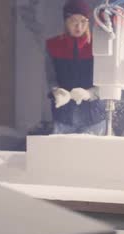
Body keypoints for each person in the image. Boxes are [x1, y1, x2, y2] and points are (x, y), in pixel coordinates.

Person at [45, 0, 106, 135]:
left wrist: (90, 93)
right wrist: (56, 91)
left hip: (94, 118)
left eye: (83, 21)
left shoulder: (99, 46)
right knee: (63, 156)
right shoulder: (53, 46)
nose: (79, 26)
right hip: (63, 118)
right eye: (74, 21)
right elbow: (51, 77)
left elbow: (107, 82)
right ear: (66, 21)